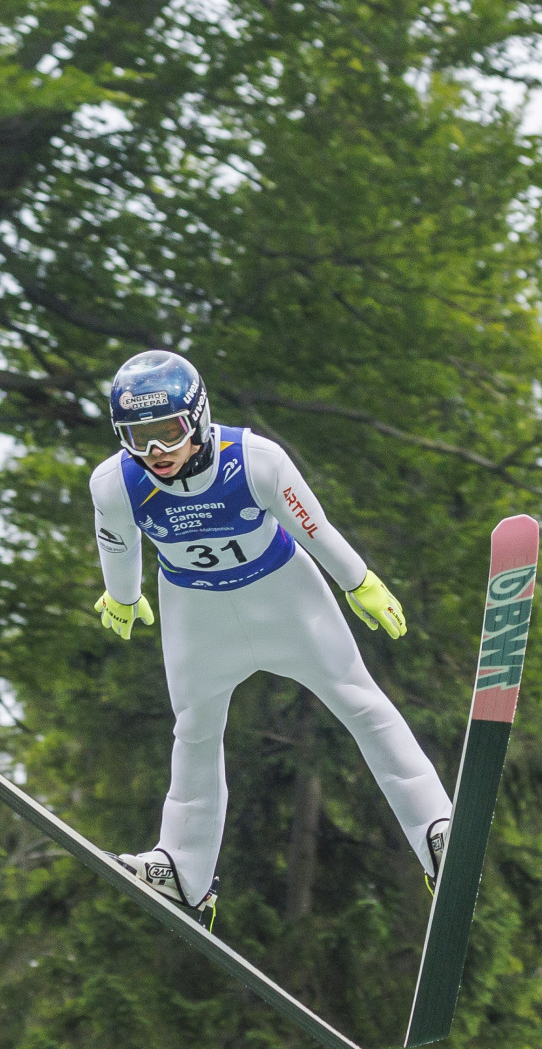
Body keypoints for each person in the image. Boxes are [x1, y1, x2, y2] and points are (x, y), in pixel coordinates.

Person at [90, 349, 451, 922]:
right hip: (195, 611)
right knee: (195, 732)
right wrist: (124, 595)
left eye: (169, 433)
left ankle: (436, 830)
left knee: (359, 701)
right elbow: (117, 542)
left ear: (200, 418)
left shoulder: (256, 459)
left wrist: (360, 583)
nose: (156, 453)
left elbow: (315, 527)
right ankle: (183, 872)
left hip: (282, 596)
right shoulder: (115, 482)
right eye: (138, 438)